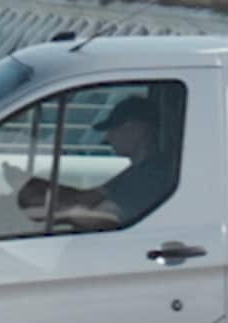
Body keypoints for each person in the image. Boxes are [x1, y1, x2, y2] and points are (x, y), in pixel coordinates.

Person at [18, 96, 172, 229]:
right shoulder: (137, 172)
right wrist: (33, 184)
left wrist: (49, 212)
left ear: (139, 129)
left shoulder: (151, 177)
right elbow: (87, 196)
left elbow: (100, 217)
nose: (108, 138)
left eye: (114, 129)